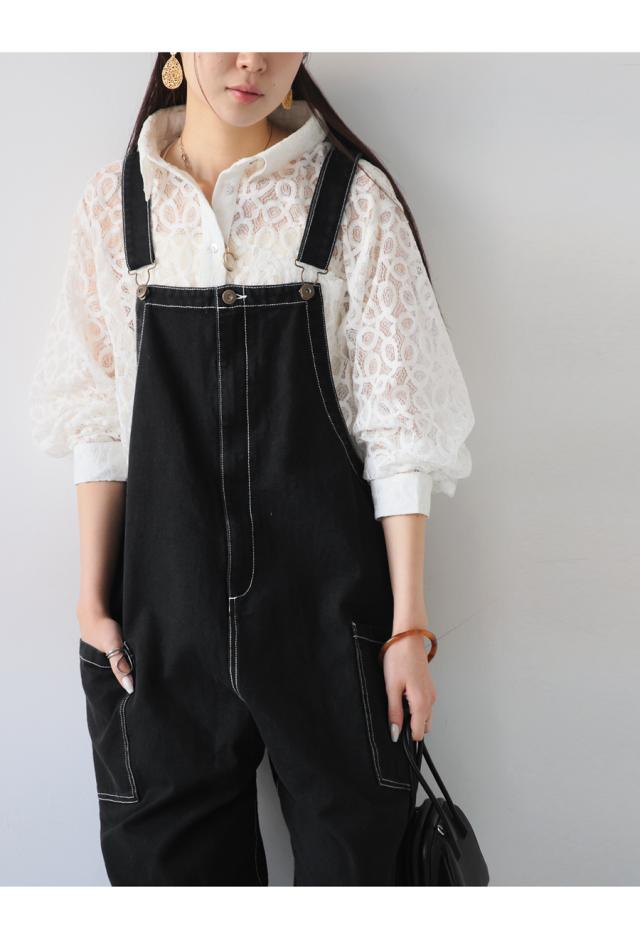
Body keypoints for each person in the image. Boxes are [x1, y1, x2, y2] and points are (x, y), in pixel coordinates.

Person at [28, 52, 475, 886]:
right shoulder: (117, 204)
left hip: (331, 620)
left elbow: (400, 428)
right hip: (157, 622)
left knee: (358, 882)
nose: (252, 56)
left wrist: (409, 626)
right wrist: (92, 600)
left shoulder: (352, 200)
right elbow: (96, 420)